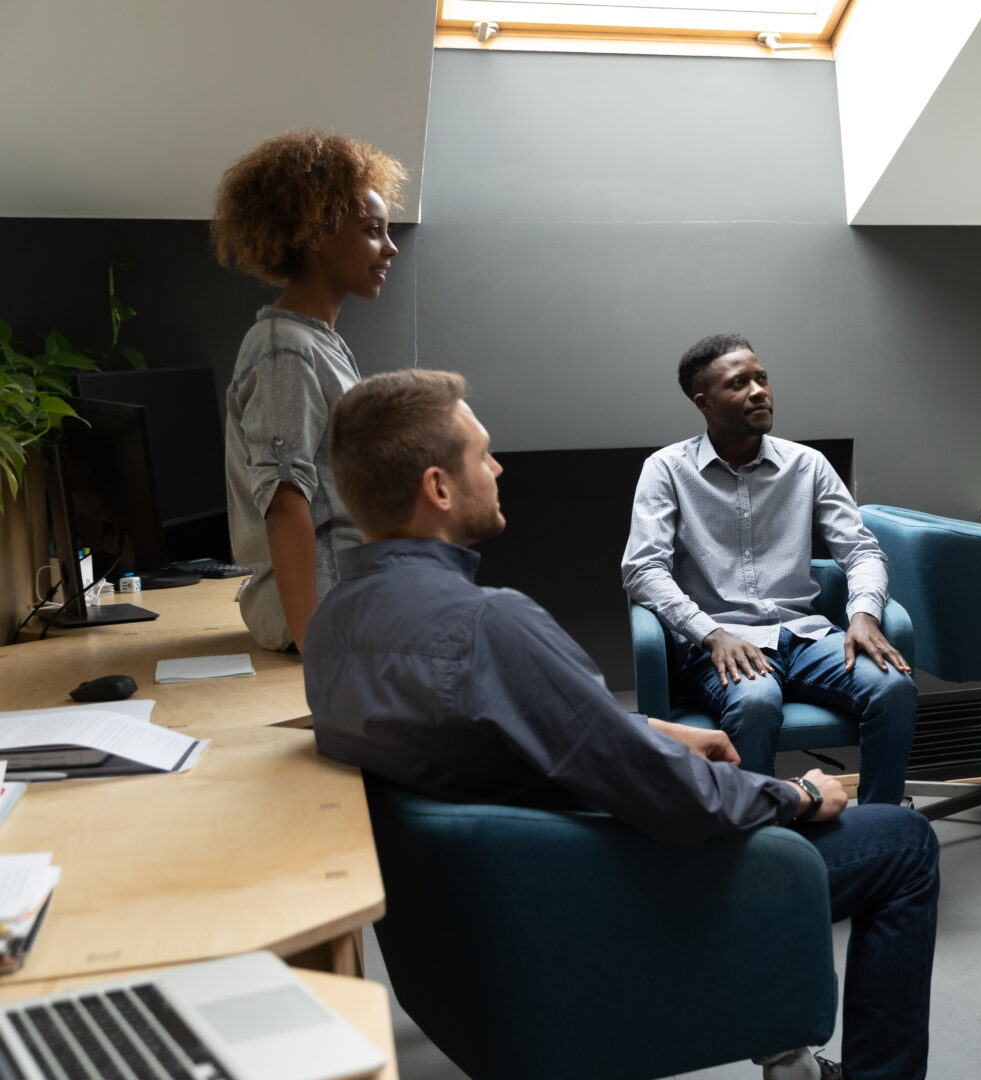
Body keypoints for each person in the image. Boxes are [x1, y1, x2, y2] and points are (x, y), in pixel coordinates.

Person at [303, 370, 939, 1080]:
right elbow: (677, 800)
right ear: (438, 488)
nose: (498, 466)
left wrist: (654, 730)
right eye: (483, 454)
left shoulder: (330, 626)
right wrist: (796, 797)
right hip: (603, 891)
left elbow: (509, 735)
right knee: (905, 842)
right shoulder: (489, 623)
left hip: (490, 914)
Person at [621, 334, 918, 806]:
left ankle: (881, 828)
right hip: (720, 643)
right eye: (739, 383)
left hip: (804, 637)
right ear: (704, 402)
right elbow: (642, 570)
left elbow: (861, 551)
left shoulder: (807, 464)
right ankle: (763, 842)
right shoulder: (667, 469)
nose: (759, 390)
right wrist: (710, 633)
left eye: (762, 378)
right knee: (756, 701)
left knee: (892, 686)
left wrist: (863, 614)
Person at [212, 130, 405, 651]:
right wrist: (317, 647)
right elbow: (284, 503)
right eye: (372, 230)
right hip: (326, 616)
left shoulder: (316, 343)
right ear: (317, 232)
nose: (389, 247)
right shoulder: (284, 348)